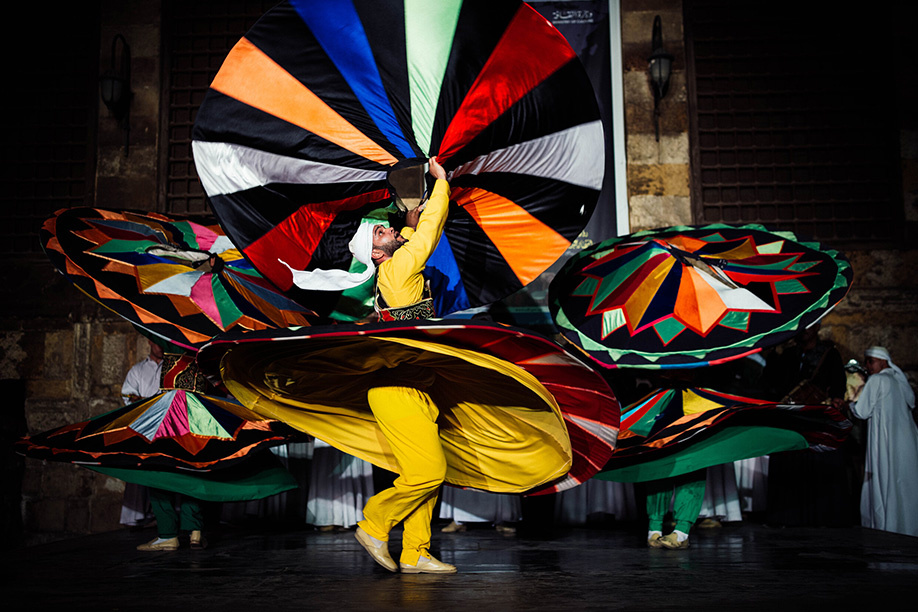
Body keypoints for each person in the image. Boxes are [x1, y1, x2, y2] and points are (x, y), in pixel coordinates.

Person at [350, 157, 457, 574]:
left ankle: (415, 551)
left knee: (423, 474)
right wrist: (441, 183)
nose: (390, 229)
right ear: (376, 253)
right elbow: (428, 235)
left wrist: (407, 225)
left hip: (416, 383)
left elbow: (411, 240)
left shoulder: (393, 272)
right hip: (397, 389)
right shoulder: (396, 271)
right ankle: (374, 524)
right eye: (383, 232)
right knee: (430, 471)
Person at [849, 346, 918, 537]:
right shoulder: (899, 381)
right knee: (902, 484)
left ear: (883, 361)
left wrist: (850, 405)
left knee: (885, 479)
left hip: (884, 443)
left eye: (870, 361)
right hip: (905, 445)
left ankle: (886, 526)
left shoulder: (878, 380)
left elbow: (862, 411)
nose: (867, 366)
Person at [118, 339, 163, 528]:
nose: (161, 347)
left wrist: (147, 401)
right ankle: (137, 515)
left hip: (165, 428)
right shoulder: (137, 370)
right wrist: (150, 403)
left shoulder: (170, 369)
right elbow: (129, 397)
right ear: (150, 342)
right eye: (158, 342)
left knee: (162, 471)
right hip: (144, 427)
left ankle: (164, 515)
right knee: (140, 469)